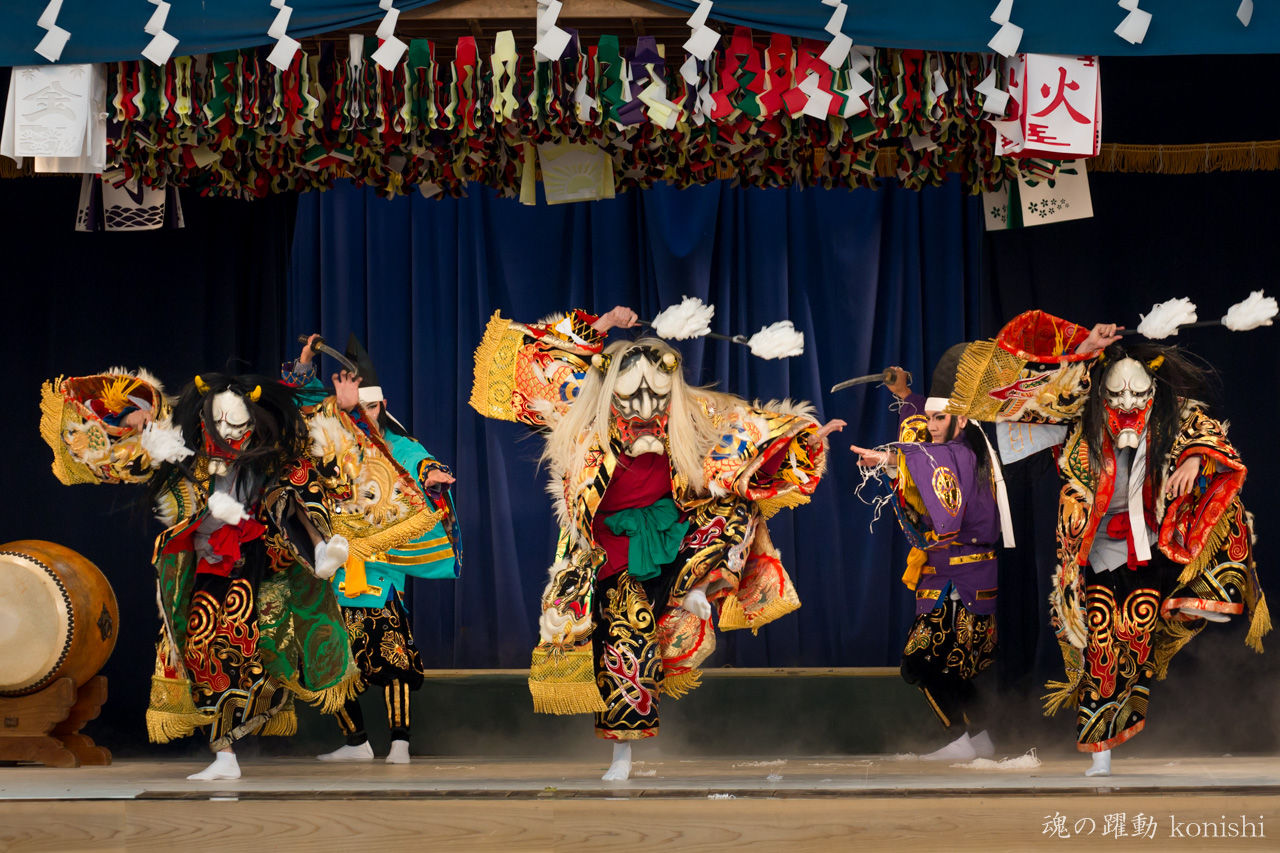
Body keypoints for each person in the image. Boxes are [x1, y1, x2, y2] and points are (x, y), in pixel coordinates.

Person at [470, 305, 843, 780]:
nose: (645, 408)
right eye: (632, 397)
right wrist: (600, 327)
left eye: (656, 396)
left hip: (674, 531)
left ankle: (697, 585)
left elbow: (756, 437)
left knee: (734, 512)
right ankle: (622, 753)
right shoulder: (579, 409)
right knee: (627, 641)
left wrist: (804, 435)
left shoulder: (695, 413)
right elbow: (533, 360)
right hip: (613, 548)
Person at [943, 311, 1269, 776]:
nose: (1129, 402)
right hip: (1094, 551)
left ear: (1153, 391)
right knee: (1104, 644)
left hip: (1157, 546)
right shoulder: (1079, 413)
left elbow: (1207, 431)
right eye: (1117, 393)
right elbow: (1030, 389)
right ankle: (1101, 751)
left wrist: (1195, 460)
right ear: (1101, 392)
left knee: (1223, 512)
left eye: (1139, 393)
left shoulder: (1168, 416)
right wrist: (1085, 348)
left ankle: (1201, 596)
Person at [39, 369, 359, 781]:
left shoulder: (267, 455)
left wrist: (340, 407)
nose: (227, 431)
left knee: (249, 639)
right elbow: (122, 460)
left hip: (256, 556)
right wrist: (129, 431)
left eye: (236, 423)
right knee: (201, 646)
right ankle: (225, 754)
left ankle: (317, 549)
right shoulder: (180, 448)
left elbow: (311, 440)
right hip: (207, 561)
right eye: (220, 422)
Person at [283, 335, 461, 765]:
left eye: (373, 406)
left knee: (392, 652)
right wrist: (306, 364)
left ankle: (400, 741)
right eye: (357, 407)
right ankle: (356, 742)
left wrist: (433, 475)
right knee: (327, 653)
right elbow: (304, 399)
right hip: (334, 564)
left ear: (383, 406)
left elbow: (418, 459)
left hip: (378, 566)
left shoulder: (395, 446)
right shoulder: (333, 443)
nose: (365, 414)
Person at [850, 347, 1010, 761]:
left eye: (940, 419)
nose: (932, 427)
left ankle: (958, 740)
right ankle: (981, 739)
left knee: (919, 663)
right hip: (950, 577)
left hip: (963, 580)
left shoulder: (965, 454)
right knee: (947, 667)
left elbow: (931, 459)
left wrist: (886, 457)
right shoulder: (954, 450)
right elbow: (926, 449)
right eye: (931, 418)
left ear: (961, 419)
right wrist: (906, 398)